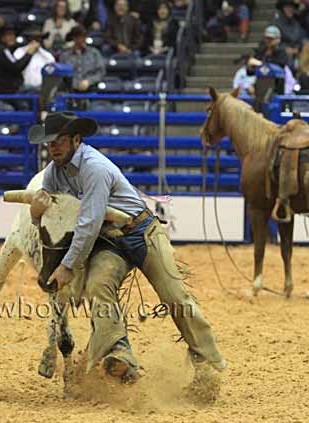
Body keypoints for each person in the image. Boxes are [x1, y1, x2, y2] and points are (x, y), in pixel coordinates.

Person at [28, 112, 226, 397]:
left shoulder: (93, 167)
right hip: (108, 241)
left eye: (58, 141)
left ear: (76, 139)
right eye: (49, 143)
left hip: (141, 232)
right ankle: (120, 354)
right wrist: (36, 214)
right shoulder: (53, 173)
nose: (53, 148)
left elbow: (87, 224)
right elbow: (55, 219)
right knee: (98, 287)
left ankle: (207, 364)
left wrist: (68, 266)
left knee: (175, 296)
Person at [0, 24, 40, 94]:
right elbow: (16, 67)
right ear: (2, 37)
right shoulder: (2, 49)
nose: (12, 37)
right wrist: (29, 53)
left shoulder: (9, 49)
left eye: (13, 35)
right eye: (9, 35)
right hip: (7, 89)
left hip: (10, 87)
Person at [59, 25, 105, 93]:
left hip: (91, 90)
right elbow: (61, 75)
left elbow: (101, 72)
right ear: (74, 38)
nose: (82, 39)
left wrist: (88, 81)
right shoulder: (65, 55)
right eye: (79, 37)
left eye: (84, 36)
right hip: (70, 91)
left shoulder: (94, 53)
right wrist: (75, 84)